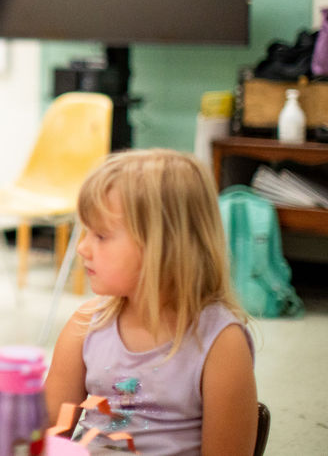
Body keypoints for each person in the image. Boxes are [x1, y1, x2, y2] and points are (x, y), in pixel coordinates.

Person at [44, 149, 258, 455]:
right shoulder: (86, 324)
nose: (82, 248)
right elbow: (48, 434)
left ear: (164, 245)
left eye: (101, 235)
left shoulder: (221, 342)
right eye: (85, 232)